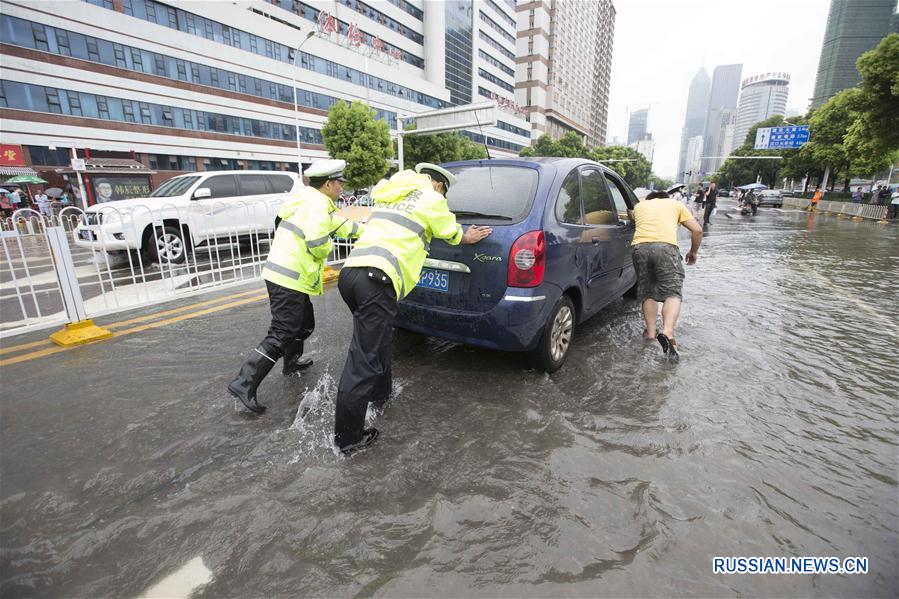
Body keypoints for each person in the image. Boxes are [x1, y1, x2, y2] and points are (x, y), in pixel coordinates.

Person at [333, 163, 492, 455]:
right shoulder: (431, 199)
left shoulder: (392, 194)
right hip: (376, 281)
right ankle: (348, 439)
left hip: (352, 274)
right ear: (439, 185)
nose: (444, 198)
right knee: (363, 361)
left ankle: (381, 395)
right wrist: (466, 236)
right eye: (445, 192)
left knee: (377, 343)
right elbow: (451, 231)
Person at [228, 159, 365, 414]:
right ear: (328, 183)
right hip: (287, 277)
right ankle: (243, 382)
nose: (341, 189)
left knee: (303, 324)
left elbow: (339, 225)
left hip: (290, 276)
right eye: (339, 184)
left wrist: (366, 230)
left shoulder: (311, 201)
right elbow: (317, 242)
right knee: (282, 332)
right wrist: (329, 247)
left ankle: (291, 362)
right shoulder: (315, 205)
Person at [631, 190, 703, 359]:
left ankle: (650, 333)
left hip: (639, 248)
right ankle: (668, 332)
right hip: (665, 247)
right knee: (672, 292)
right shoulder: (675, 204)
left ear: (649, 199)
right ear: (666, 198)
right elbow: (697, 230)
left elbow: (631, 217)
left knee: (647, 290)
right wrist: (693, 252)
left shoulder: (640, 206)